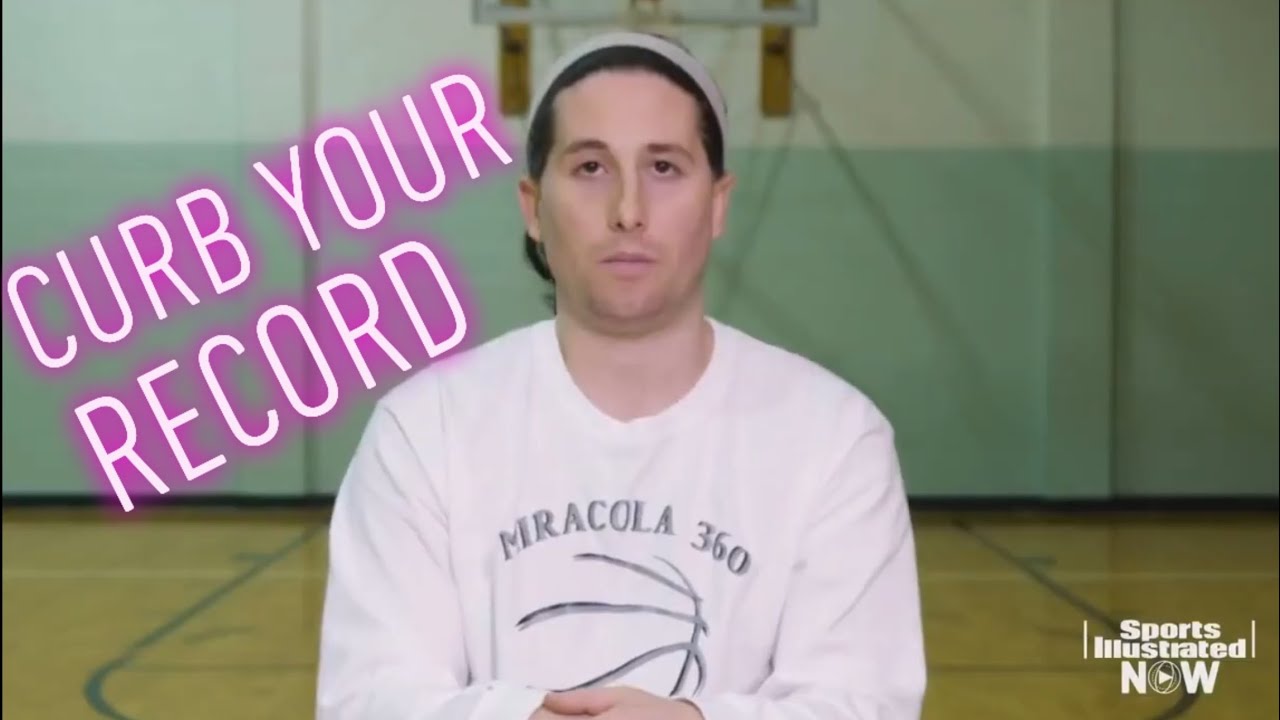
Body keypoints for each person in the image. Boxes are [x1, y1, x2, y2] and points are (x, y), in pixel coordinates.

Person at [315, 31, 927, 720]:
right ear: (533, 207)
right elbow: (369, 698)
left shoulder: (836, 437)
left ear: (718, 204)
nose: (628, 211)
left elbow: (862, 701)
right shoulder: (423, 431)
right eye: (590, 168)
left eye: (664, 167)